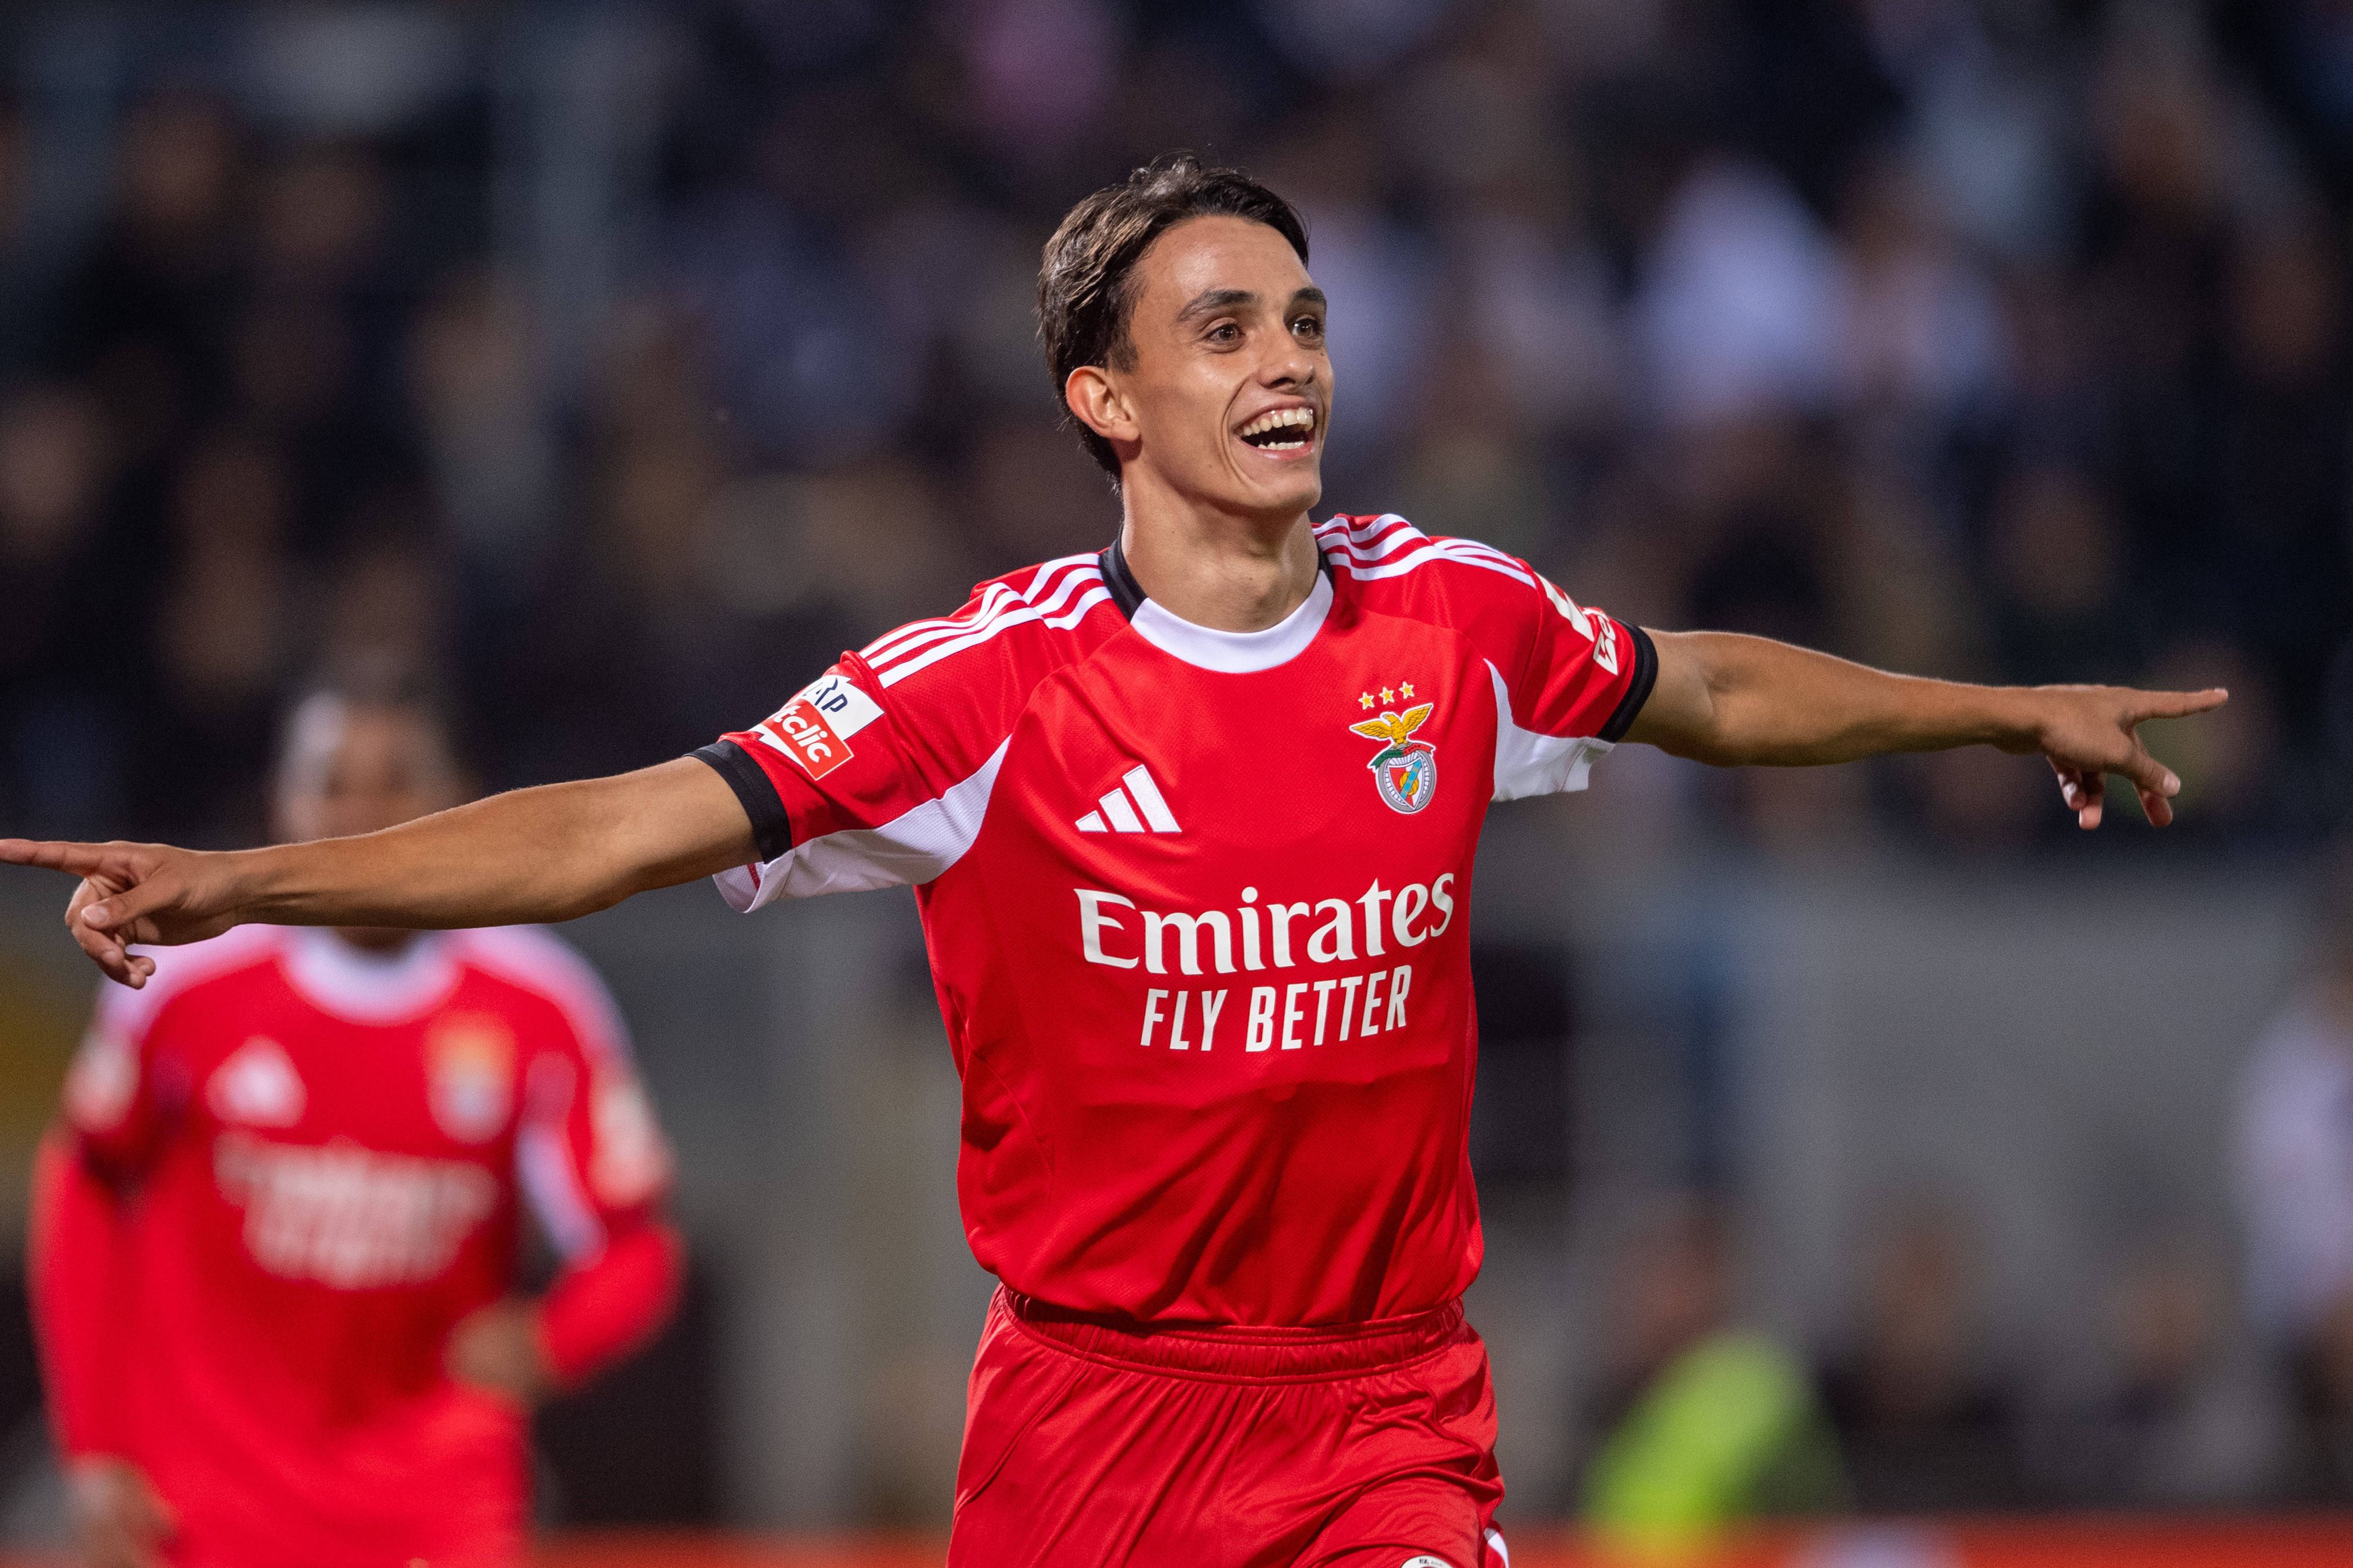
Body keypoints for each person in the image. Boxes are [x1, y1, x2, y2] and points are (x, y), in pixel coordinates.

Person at [2, 155, 2224, 1567]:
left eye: (1305, 319)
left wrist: (1997, 702)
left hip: (1382, 1402)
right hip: (1091, 1419)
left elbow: (1704, 691)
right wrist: (247, 881)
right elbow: (607, 830)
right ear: (1104, 399)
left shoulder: (1442, 612)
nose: (1289, 364)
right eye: (1226, 328)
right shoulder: (977, 692)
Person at [27, 670, 683, 1568]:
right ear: (281, 801)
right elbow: (85, 1188)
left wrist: (545, 1343)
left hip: (438, 1505)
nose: (364, 810)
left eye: (397, 780)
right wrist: (95, 1444)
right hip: (211, 1503)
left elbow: (636, 1247)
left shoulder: (541, 1002)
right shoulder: (186, 989)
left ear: (460, 800)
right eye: (333, 782)